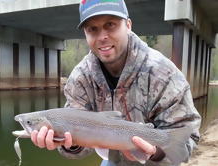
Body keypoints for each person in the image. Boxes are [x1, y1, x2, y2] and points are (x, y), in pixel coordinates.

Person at [31, 0, 201, 165]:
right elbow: (81, 148)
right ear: (85, 33)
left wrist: (156, 153)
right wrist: (70, 143)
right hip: (113, 161)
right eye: (92, 29)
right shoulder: (80, 78)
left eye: (110, 25)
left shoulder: (163, 73)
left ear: (128, 25)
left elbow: (188, 138)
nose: (102, 36)